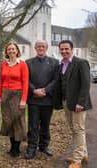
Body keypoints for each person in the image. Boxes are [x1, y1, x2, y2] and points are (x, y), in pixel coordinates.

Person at [55, 40, 92, 168]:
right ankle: (83, 154)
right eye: (62, 49)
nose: (64, 51)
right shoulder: (61, 65)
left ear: (72, 49)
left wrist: (81, 102)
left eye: (66, 49)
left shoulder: (81, 62)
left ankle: (77, 160)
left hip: (78, 104)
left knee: (78, 129)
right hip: (67, 102)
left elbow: (86, 84)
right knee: (74, 129)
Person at [25, 40, 59, 159]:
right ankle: (31, 147)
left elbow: (56, 80)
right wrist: (34, 90)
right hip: (33, 98)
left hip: (47, 99)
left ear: (46, 48)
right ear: (35, 48)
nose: (40, 48)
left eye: (42, 46)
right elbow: (26, 79)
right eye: (38, 46)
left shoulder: (54, 62)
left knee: (45, 124)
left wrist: (45, 90)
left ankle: (44, 146)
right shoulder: (28, 62)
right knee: (33, 125)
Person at [0, 42, 29, 157]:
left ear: (17, 51)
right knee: (7, 121)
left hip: (17, 95)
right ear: (6, 52)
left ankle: (16, 148)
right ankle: (11, 147)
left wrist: (23, 100)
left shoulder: (22, 64)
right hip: (5, 95)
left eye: (13, 49)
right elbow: (0, 81)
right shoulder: (3, 64)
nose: (11, 51)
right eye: (9, 49)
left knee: (18, 121)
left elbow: (25, 83)